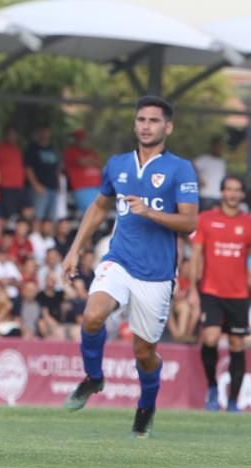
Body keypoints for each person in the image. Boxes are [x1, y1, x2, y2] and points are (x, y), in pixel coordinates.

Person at [61, 96, 198, 437]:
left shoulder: (180, 168)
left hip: (156, 273)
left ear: (168, 127)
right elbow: (98, 207)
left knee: (144, 352)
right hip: (119, 259)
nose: (146, 126)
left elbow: (190, 222)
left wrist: (150, 212)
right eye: (141, 119)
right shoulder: (117, 164)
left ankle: (146, 406)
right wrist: (74, 249)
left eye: (153, 120)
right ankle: (94, 377)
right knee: (92, 315)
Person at [190, 175, 250, 412]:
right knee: (211, 338)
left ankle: (234, 400)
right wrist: (193, 292)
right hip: (211, 291)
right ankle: (213, 388)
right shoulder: (206, 220)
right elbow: (196, 256)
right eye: (228, 189)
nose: (232, 194)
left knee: (236, 344)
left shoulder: (248, 223)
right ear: (222, 192)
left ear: (242, 195)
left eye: (237, 190)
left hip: (238, 294)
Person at [25, 125, 60, 222]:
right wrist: (35, 184)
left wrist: (58, 183)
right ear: (38, 134)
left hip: (52, 187)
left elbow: (56, 168)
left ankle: (49, 237)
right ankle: (36, 235)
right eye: (42, 132)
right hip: (39, 187)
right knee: (38, 215)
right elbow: (28, 168)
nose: (45, 135)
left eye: (47, 132)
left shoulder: (52, 149)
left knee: (51, 216)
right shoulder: (33, 148)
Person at [193, 136, 226, 211]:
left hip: (219, 196)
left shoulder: (222, 162)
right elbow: (190, 167)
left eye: (221, 146)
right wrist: (198, 179)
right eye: (217, 146)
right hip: (206, 196)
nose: (219, 148)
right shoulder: (204, 159)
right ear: (213, 146)